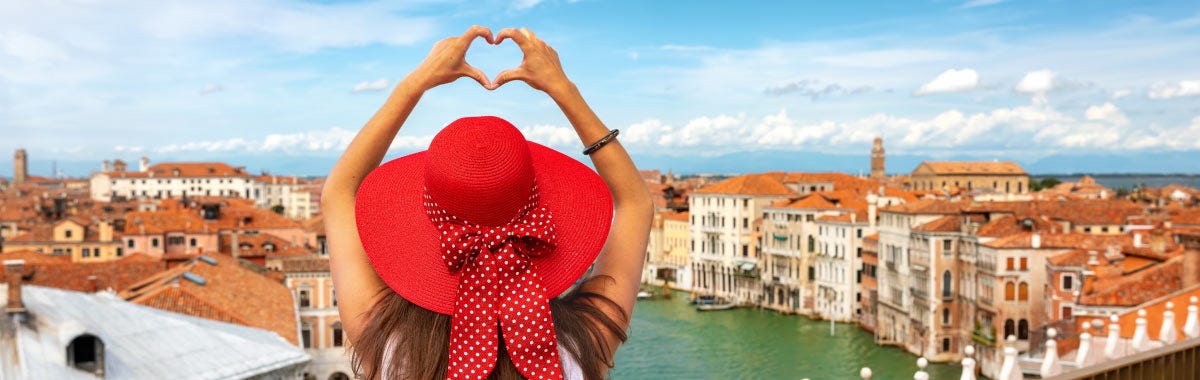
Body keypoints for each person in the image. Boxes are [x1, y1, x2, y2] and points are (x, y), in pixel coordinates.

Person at [321, 25, 653, 380]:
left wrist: (416, 83)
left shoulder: (388, 345)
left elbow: (339, 194)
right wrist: (562, 88)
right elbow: (635, 203)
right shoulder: (580, 347)